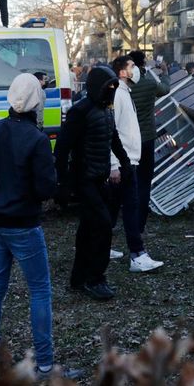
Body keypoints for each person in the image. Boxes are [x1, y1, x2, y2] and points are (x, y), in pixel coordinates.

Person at [0, 74, 59, 373]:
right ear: (37, 101)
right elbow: (47, 187)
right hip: (23, 223)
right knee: (39, 290)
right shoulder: (36, 139)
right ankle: (45, 362)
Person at [55, 66, 129, 300]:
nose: (111, 91)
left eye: (113, 87)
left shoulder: (106, 109)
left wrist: (125, 164)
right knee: (102, 226)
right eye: (108, 87)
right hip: (84, 178)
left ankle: (79, 277)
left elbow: (112, 137)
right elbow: (62, 148)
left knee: (88, 228)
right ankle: (95, 278)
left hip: (99, 177)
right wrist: (63, 183)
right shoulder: (80, 111)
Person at [106, 56, 164, 273]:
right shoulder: (118, 95)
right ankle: (137, 254)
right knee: (130, 208)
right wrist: (114, 164)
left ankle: (105, 247)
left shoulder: (124, 92)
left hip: (127, 160)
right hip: (124, 162)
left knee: (113, 208)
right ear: (122, 72)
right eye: (131, 67)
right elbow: (111, 132)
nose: (136, 70)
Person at [125, 50, 169, 234]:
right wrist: (165, 72)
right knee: (144, 181)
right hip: (147, 138)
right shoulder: (149, 83)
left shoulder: (123, 86)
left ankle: (127, 217)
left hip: (127, 139)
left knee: (129, 181)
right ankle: (140, 222)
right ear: (142, 64)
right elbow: (165, 90)